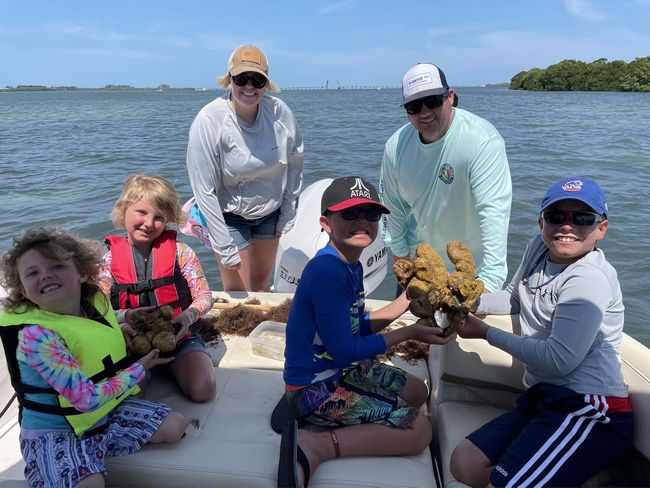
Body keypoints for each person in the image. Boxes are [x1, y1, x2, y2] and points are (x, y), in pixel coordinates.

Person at [450, 177, 634, 487]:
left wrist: (484, 333)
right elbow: (513, 297)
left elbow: (558, 361)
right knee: (464, 463)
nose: (566, 226)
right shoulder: (538, 248)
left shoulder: (588, 279)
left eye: (582, 218)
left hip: (587, 408)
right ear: (541, 222)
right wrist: (466, 301)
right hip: (545, 397)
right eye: (556, 216)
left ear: (601, 228)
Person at [280, 176, 455, 487]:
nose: (362, 221)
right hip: (314, 387)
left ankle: (352, 419)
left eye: (370, 214)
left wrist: (408, 298)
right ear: (325, 223)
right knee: (420, 430)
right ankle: (316, 446)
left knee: (417, 392)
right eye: (349, 213)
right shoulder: (328, 272)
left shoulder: (351, 264)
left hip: (342, 369)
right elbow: (345, 350)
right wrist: (409, 332)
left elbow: (354, 327)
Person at [0, 227, 188, 488]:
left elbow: (98, 321)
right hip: (58, 431)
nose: (45, 276)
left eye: (56, 266)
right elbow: (85, 399)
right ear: (22, 289)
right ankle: (47, 467)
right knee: (91, 484)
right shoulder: (36, 337)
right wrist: (140, 368)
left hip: (106, 412)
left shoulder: (94, 300)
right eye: (32, 273)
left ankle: (94, 450)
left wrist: (126, 316)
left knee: (175, 426)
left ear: (82, 272)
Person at [380, 63, 512, 293]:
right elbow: (393, 207)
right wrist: (401, 258)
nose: (424, 112)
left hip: (470, 275)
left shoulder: (483, 142)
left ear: (450, 96)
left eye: (432, 100)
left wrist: (489, 281)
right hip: (418, 268)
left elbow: (493, 212)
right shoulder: (395, 146)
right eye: (413, 106)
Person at [185, 43, 304, 292]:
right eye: (242, 78)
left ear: (266, 84)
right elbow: (203, 189)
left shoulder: (280, 112)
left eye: (257, 80)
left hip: (270, 214)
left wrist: (288, 211)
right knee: (239, 294)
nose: (249, 86)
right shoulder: (209, 120)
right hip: (229, 217)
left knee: (261, 286)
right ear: (229, 79)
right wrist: (223, 244)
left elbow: (295, 160)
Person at [101, 174, 216, 403]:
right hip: (132, 344)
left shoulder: (181, 252)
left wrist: (186, 317)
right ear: (124, 211)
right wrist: (124, 316)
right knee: (128, 400)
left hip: (180, 338)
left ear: (168, 220)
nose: (148, 223)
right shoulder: (107, 261)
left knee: (204, 390)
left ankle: (179, 366)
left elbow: (204, 296)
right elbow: (97, 310)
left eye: (158, 217)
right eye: (141, 212)